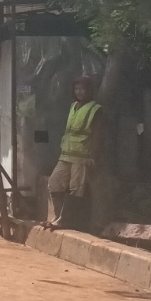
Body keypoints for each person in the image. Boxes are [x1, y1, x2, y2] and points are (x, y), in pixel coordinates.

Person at [46, 76, 103, 231]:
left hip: (82, 157)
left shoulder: (95, 109)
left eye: (82, 89)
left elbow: (97, 135)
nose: (79, 92)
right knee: (54, 183)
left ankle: (66, 221)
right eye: (77, 89)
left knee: (76, 189)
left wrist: (93, 156)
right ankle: (57, 217)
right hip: (65, 155)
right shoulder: (73, 106)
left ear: (89, 90)